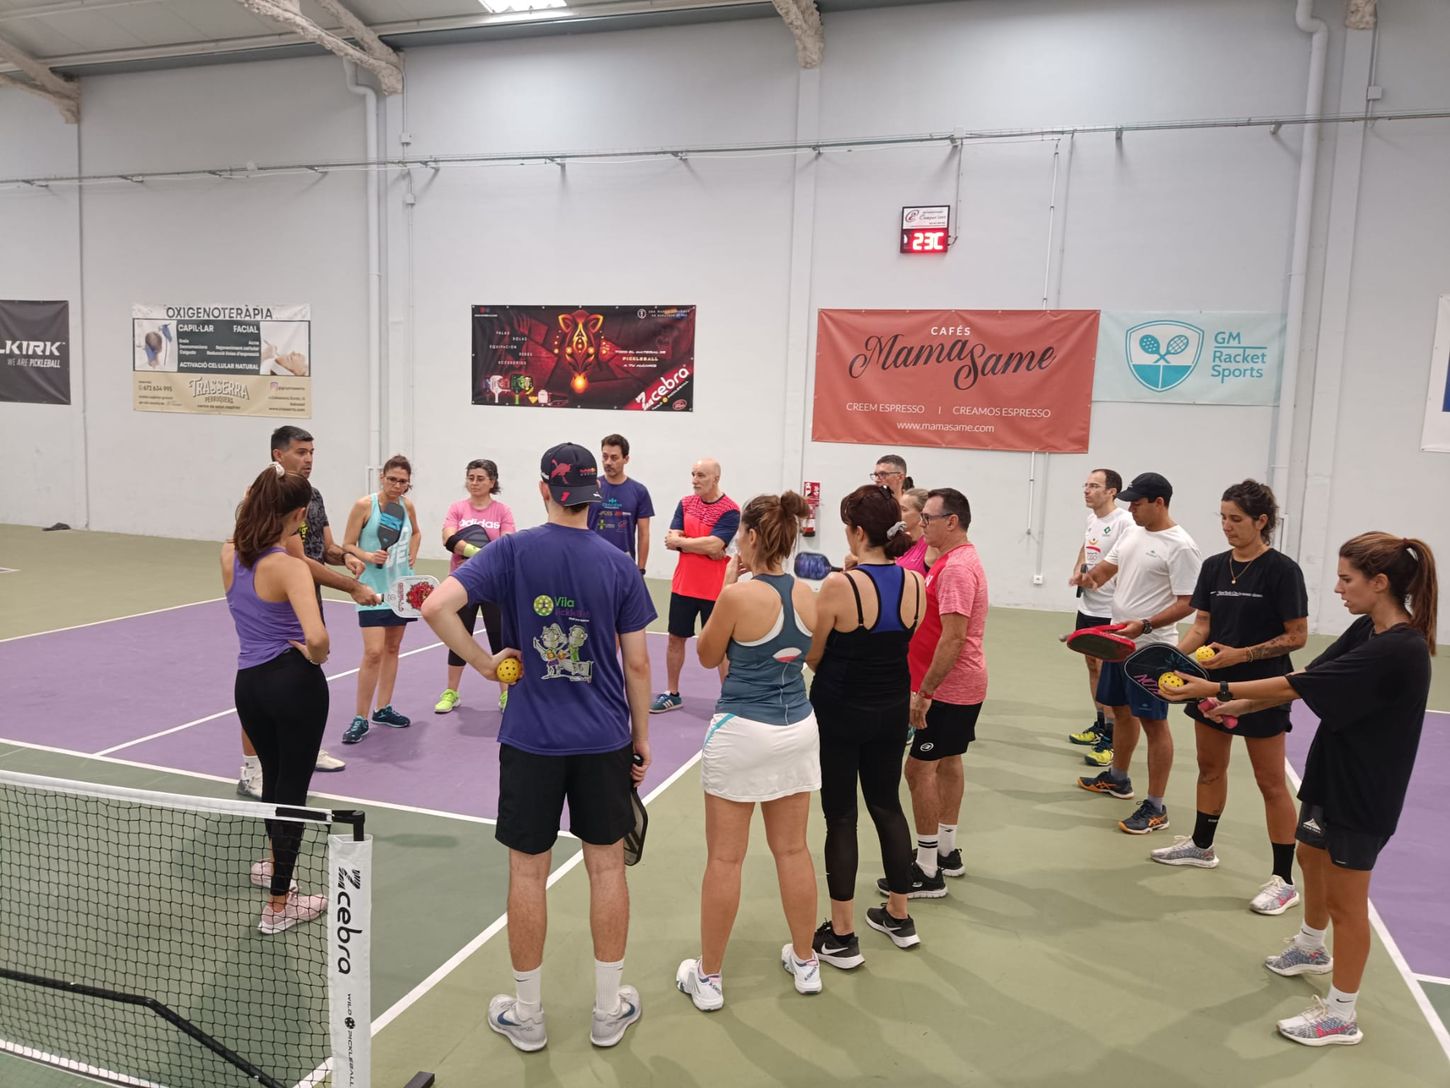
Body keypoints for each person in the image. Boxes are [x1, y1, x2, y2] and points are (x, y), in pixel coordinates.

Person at [421, 442, 655, 1052]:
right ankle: (609, 1011)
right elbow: (636, 664)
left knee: (528, 871)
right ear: (592, 496)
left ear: (544, 490)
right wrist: (642, 738)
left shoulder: (512, 550)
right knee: (607, 866)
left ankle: (527, 1015)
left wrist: (483, 663)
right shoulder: (617, 563)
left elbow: (437, 606)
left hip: (530, 739)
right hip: (605, 738)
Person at [1161, 533, 1436, 1048]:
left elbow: (1294, 686)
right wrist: (1238, 708)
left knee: (1350, 905)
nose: (1337, 588)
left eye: (1346, 579)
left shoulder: (1400, 648)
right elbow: (1312, 674)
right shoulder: (1367, 628)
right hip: (1333, 770)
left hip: (1365, 792)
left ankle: (1341, 1015)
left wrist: (1214, 689)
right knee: (1310, 856)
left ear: (1380, 583)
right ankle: (1311, 946)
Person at [675, 491, 822, 1012]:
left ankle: (709, 978)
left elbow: (708, 653)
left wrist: (731, 587)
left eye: (740, 532)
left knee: (725, 857)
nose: (735, 538)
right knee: (793, 850)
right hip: (799, 728)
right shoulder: (810, 595)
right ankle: (806, 962)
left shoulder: (737, 596)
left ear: (754, 538)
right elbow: (813, 655)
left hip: (743, 731)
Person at [1150, 481, 1309, 915]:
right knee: (1209, 768)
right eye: (1222, 517)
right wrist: (1168, 659)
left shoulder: (1282, 571)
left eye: (1236, 519)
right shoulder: (1216, 567)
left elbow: (1297, 636)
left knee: (1270, 783)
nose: (1227, 526)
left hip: (1262, 691)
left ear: (1261, 521)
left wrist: (1243, 655)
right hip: (1207, 687)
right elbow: (1202, 625)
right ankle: (1202, 845)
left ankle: (1283, 879)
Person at [806, 486, 924, 966]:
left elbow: (815, 654)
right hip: (891, 709)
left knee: (841, 816)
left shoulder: (840, 586)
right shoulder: (917, 581)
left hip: (840, 711)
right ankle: (899, 914)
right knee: (887, 806)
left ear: (857, 532)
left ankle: (843, 933)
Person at [236, 426, 377, 796]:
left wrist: (346, 558)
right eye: (301, 452)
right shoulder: (264, 497)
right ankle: (253, 767)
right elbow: (296, 560)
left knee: (291, 690)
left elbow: (323, 549)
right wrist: (353, 588)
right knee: (268, 680)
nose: (309, 459)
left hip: (305, 598)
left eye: (312, 451)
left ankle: (303, 748)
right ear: (278, 456)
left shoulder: (313, 496)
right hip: (279, 598)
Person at [223, 464, 330, 935]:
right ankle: (280, 903)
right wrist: (314, 653)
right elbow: (319, 637)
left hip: (249, 687)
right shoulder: (289, 567)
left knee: (273, 781)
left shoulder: (229, 556)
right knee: (294, 795)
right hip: (294, 685)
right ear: (300, 514)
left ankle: (273, 864)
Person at [1074, 472, 1202, 834]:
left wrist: (1145, 624)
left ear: (1159, 503)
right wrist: (1089, 577)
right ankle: (1119, 777)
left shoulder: (1181, 546)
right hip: (1119, 640)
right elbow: (1109, 566)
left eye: (1138, 502)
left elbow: (1188, 603)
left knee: (1154, 724)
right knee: (1120, 711)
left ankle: (1157, 807)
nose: (1131, 508)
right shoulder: (1133, 530)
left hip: (1152, 648)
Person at [895, 488, 988, 899]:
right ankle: (947, 851)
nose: (922, 524)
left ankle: (927, 869)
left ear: (951, 522)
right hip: (962, 685)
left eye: (928, 518)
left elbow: (953, 638)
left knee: (917, 771)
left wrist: (926, 691)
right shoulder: (955, 560)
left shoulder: (953, 569)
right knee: (949, 761)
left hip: (949, 688)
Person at [340, 455, 421, 745]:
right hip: (371, 588)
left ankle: (383, 708)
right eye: (392, 479)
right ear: (382, 477)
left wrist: (412, 552)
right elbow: (347, 544)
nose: (397, 486)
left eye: (403, 482)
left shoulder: (406, 506)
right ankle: (360, 717)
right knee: (373, 652)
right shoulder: (365, 506)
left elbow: (417, 532)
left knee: (392, 648)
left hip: (400, 588)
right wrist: (366, 556)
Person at [652, 459, 740, 712]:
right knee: (675, 639)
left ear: (716, 478)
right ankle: (672, 693)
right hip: (683, 586)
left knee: (720, 647)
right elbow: (672, 539)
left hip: (716, 590)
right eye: (693, 474)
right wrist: (705, 545)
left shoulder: (730, 510)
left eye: (701, 475)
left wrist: (687, 542)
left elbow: (715, 546)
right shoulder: (685, 503)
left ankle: (728, 699)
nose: (695, 480)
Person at [435, 459, 516, 714]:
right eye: (471, 477)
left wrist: (485, 558)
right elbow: (448, 537)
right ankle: (451, 692)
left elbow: (507, 543)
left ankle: (505, 694)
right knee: (458, 636)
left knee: (498, 637)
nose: (474, 482)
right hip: (462, 582)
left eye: (480, 478)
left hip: (494, 583)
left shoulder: (502, 511)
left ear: (492, 481)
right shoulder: (458, 508)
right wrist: (473, 551)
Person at [1067, 469, 1133, 769]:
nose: (1087, 490)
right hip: (1089, 606)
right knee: (1091, 664)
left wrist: (1099, 579)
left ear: (1112, 492)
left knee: (1108, 671)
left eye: (1094, 486)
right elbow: (1085, 547)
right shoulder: (1092, 519)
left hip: (1111, 609)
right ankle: (1099, 724)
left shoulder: (1125, 522)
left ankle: (1111, 737)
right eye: (1086, 485)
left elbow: (1125, 560)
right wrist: (1079, 570)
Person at [590, 434, 654, 577]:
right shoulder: (591, 487)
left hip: (624, 566)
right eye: (604, 457)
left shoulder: (639, 491)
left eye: (614, 458)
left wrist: (641, 569)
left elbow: (644, 534)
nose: (608, 462)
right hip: (592, 563)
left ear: (626, 459)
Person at [895, 488, 935, 575]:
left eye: (904, 510)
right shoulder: (903, 542)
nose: (898, 513)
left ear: (922, 513)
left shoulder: (931, 546)